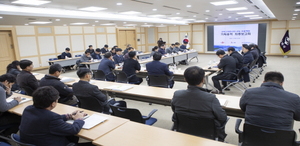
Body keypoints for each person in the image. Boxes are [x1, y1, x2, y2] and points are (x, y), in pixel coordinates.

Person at [171, 66, 227, 141]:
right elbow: (222, 117)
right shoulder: (211, 98)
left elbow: (174, 109)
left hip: (184, 130)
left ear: (185, 79)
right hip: (207, 133)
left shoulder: (177, 94)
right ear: (203, 80)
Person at [19, 86, 86, 146]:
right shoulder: (51, 118)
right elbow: (73, 130)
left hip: (30, 142)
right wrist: (79, 119)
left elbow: (47, 120)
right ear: (53, 103)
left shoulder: (28, 109)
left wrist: (69, 116)